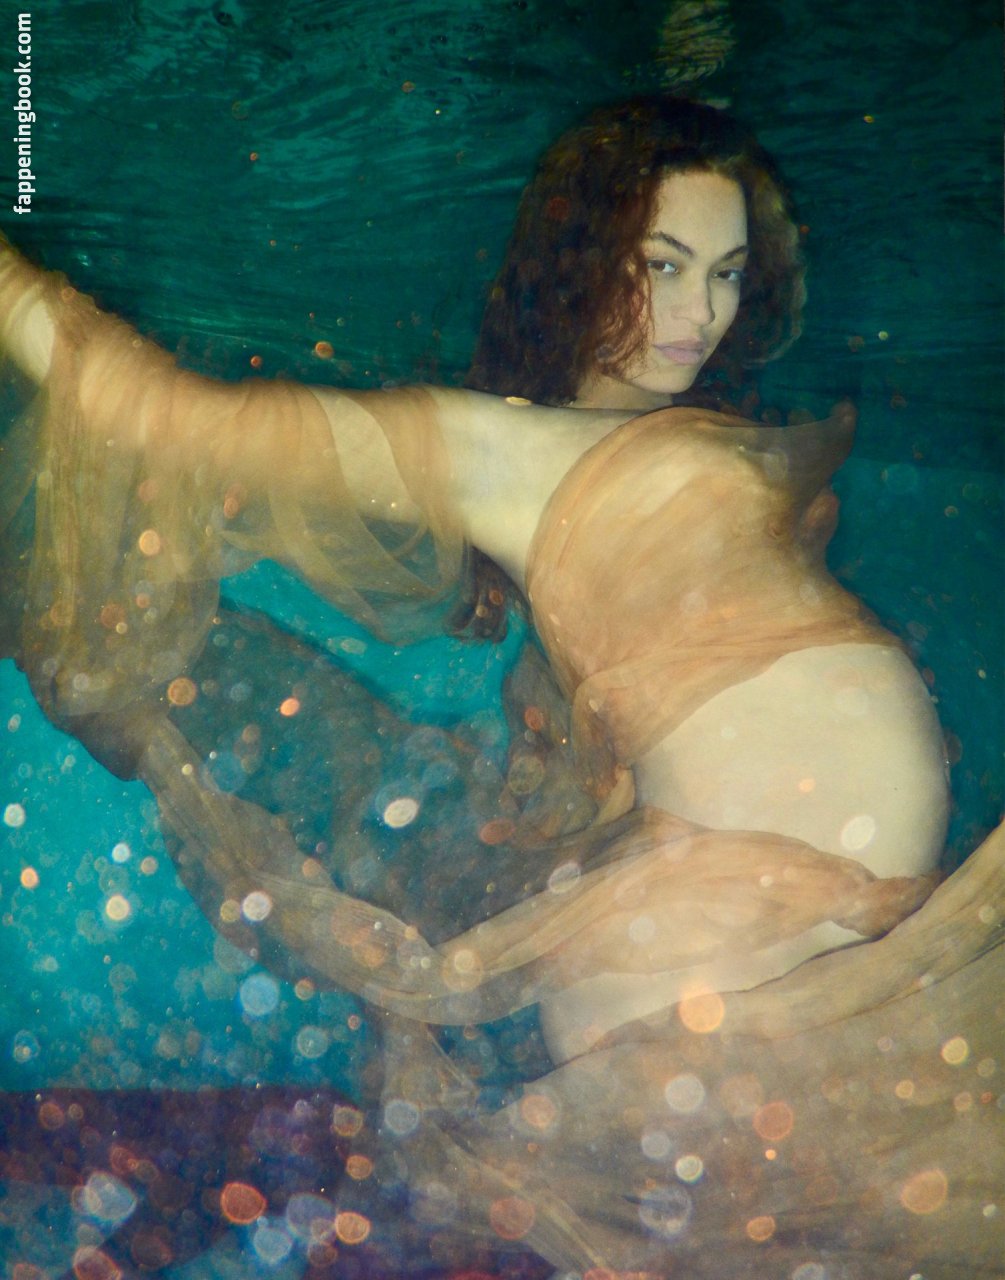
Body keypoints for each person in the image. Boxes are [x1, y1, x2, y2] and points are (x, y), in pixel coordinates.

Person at [0, 95, 1000, 1275]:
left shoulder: (684, 429)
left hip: (784, 945)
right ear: (580, 261)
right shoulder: (496, 448)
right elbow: (165, 417)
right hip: (709, 965)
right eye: (663, 266)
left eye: (728, 273)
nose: (701, 314)